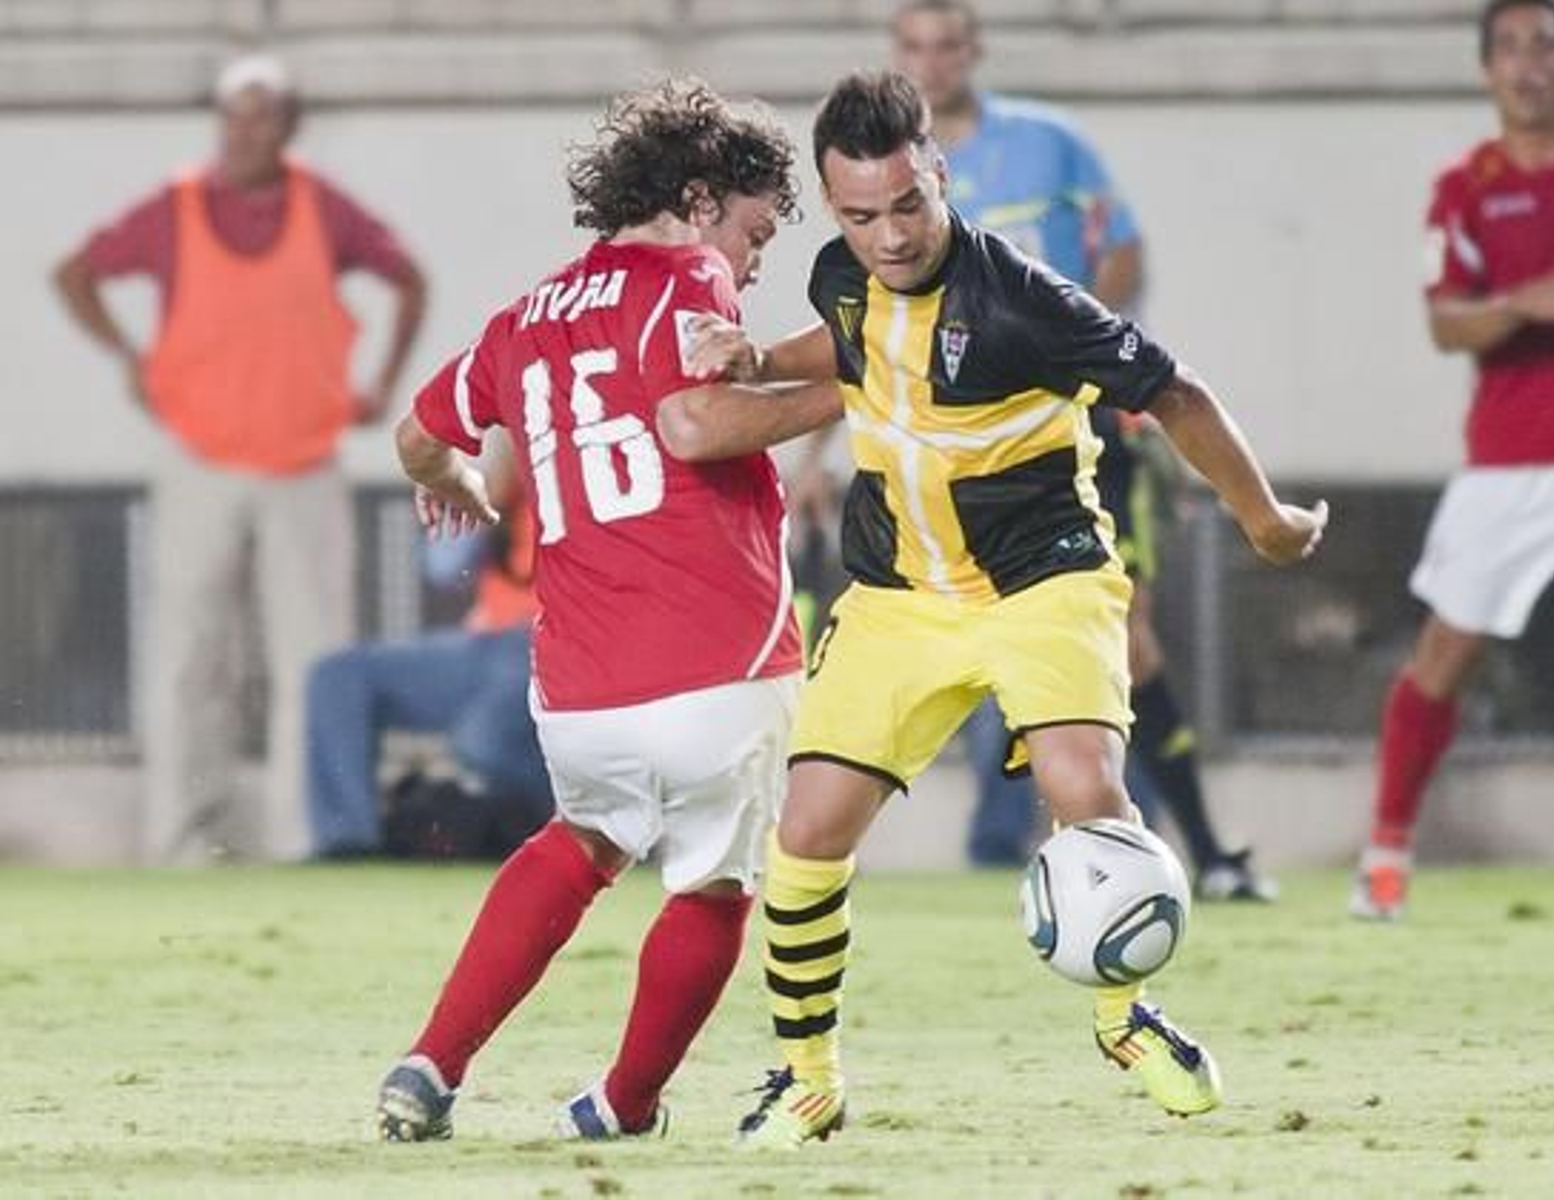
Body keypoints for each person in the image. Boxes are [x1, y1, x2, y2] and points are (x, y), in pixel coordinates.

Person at [669, 70, 1326, 1147]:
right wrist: (752, 355)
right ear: (835, 212)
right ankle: (807, 1079)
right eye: (860, 215)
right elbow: (842, 341)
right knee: (807, 831)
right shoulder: (844, 276)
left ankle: (1124, 1016)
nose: (886, 236)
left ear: (939, 172)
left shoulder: (1028, 303)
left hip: (1042, 584)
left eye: (906, 205)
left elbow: (1175, 392)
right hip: (895, 599)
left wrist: (1259, 517)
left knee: (1084, 785)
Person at [373, 79, 836, 1144]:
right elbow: (694, 423)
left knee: (581, 840)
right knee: (718, 883)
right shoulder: (687, 280)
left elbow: (413, 436)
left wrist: (459, 478)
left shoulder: (523, 315)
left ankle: (429, 1064)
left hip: (579, 684)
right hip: (715, 656)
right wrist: (864, 386)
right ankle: (624, 1105)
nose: (753, 260)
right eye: (755, 230)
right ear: (698, 195)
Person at [891, 0, 1275, 899]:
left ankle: (1193, 850)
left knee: (1127, 635)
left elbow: (1125, 251)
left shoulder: (1048, 144)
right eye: (916, 47)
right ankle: (1010, 844)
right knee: (981, 637)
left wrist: (1075, 340)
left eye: (949, 44)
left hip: (1080, 426)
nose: (935, 61)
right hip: (953, 443)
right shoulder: (897, 183)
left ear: (973, 51)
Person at [52, 54, 427, 864]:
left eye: (263, 115)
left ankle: (307, 838)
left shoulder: (325, 211)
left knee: (314, 661)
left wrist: (383, 385)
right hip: (201, 459)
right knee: (189, 656)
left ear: (291, 124)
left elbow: (408, 278)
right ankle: (184, 840)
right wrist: (129, 359)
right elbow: (75, 274)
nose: (246, 130)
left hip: (305, 462)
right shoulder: (175, 208)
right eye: (234, 115)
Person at [1351, 0, 1554, 921]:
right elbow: (1445, 320)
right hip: (1511, 461)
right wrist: (1539, 299)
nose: (1530, 64)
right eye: (1512, 49)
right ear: (1488, 70)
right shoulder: (1465, 187)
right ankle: (1386, 855)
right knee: (1446, 652)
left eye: (1546, 45)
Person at [304, 456, 555, 860]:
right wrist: (490, 480)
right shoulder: (512, 473)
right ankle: (348, 845)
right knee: (338, 676)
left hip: (556, 639)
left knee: (482, 738)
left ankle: (571, 834)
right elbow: (443, 565)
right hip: (486, 642)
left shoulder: (598, 466)